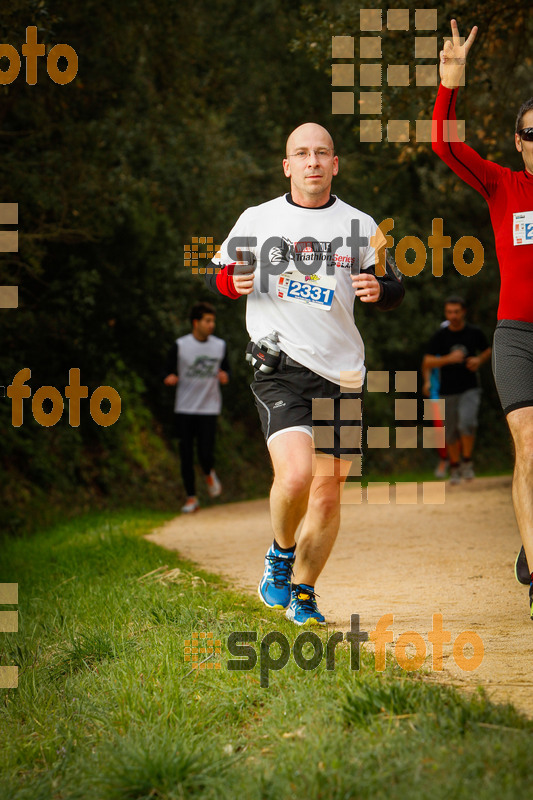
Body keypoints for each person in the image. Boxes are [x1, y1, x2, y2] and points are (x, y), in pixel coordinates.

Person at [205, 122, 404, 625]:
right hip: (281, 367)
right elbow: (217, 275)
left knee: (328, 492)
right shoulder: (257, 218)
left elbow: (394, 283)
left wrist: (383, 292)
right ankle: (279, 552)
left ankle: (304, 592)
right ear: (287, 165)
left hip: (343, 375)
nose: (313, 161)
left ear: (335, 164)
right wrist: (233, 281)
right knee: (294, 477)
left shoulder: (362, 225)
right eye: (302, 153)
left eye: (322, 153)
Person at [433, 19, 533, 616]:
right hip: (518, 336)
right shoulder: (502, 186)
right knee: (530, 444)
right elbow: (446, 146)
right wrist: (451, 85)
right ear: (519, 142)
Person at [163, 301, 229, 513]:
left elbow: (227, 372)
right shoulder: (181, 345)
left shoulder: (219, 346)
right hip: (184, 407)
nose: (212, 325)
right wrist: (169, 377)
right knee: (186, 455)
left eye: (213, 321)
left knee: (205, 453)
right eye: (207, 321)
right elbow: (166, 370)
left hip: (209, 408)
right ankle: (191, 498)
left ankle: (209, 472)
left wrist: (224, 376)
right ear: (195, 323)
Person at [422, 296, 491, 484]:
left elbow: (488, 350)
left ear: (464, 312)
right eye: (449, 312)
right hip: (446, 390)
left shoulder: (474, 333)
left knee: (467, 423)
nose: (453, 316)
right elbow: (427, 361)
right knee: (450, 431)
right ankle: (454, 466)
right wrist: (448, 359)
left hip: (470, 388)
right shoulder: (440, 336)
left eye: (456, 312)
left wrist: (479, 360)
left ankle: (467, 462)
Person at [422, 319, 450, 478]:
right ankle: (443, 460)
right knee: (439, 430)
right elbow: (426, 365)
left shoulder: (458, 350)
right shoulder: (435, 349)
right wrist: (426, 381)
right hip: (436, 395)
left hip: (454, 395)